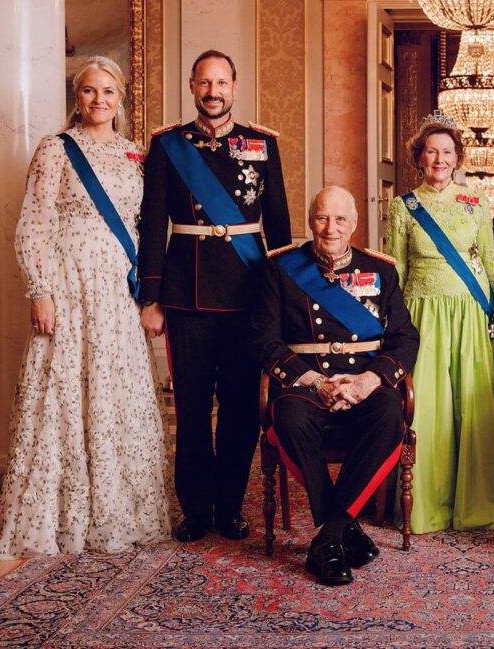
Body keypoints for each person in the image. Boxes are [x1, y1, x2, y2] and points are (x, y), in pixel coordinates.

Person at [0, 57, 169, 559]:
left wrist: (148, 294)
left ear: (121, 97)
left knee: (114, 394)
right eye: (89, 91)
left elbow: (144, 226)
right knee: (64, 394)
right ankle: (61, 516)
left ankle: (115, 513)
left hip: (116, 291)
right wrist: (39, 289)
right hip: (68, 287)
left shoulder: (136, 155)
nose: (99, 101)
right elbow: (34, 223)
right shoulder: (55, 150)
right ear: (77, 95)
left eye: (109, 92)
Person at [138, 49, 292, 543]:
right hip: (188, 296)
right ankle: (195, 510)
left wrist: (284, 300)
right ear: (191, 86)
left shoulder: (262, 143)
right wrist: (151, 297)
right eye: (205, 82)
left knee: (242, 408)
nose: (213, 91)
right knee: (192, 406)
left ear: (235, 86)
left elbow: (282, 230)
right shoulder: (167, 146)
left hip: (248, 296)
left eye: (221, 82)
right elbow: (152, 225)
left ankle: (228, 506)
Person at [251, 186, 419, 585]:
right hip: (305, 383)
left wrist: (367, 381)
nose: (331, 228)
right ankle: (344, 531)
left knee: (389, 414)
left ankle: (329, 535)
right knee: (289, 418)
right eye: (323, 218)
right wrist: (317, 382)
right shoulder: (281, 268)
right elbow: (264, 339)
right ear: (311, 222)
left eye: (340, 219)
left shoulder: (381, 270)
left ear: (355, 224)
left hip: (362, 382)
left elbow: (404, 338)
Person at [384, 112, 494, 533]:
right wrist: (392, 330)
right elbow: (395, 272)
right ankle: (426, 503)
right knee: (427, 411)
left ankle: (479, 501)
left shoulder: (476, 202)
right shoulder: (403, 207)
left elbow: (493, 266)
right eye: (432, 151)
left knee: (475, 406)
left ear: (458, 157)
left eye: (447, 152)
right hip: (422, 316)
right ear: (419, 158)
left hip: (472, 315)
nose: (440, 159)